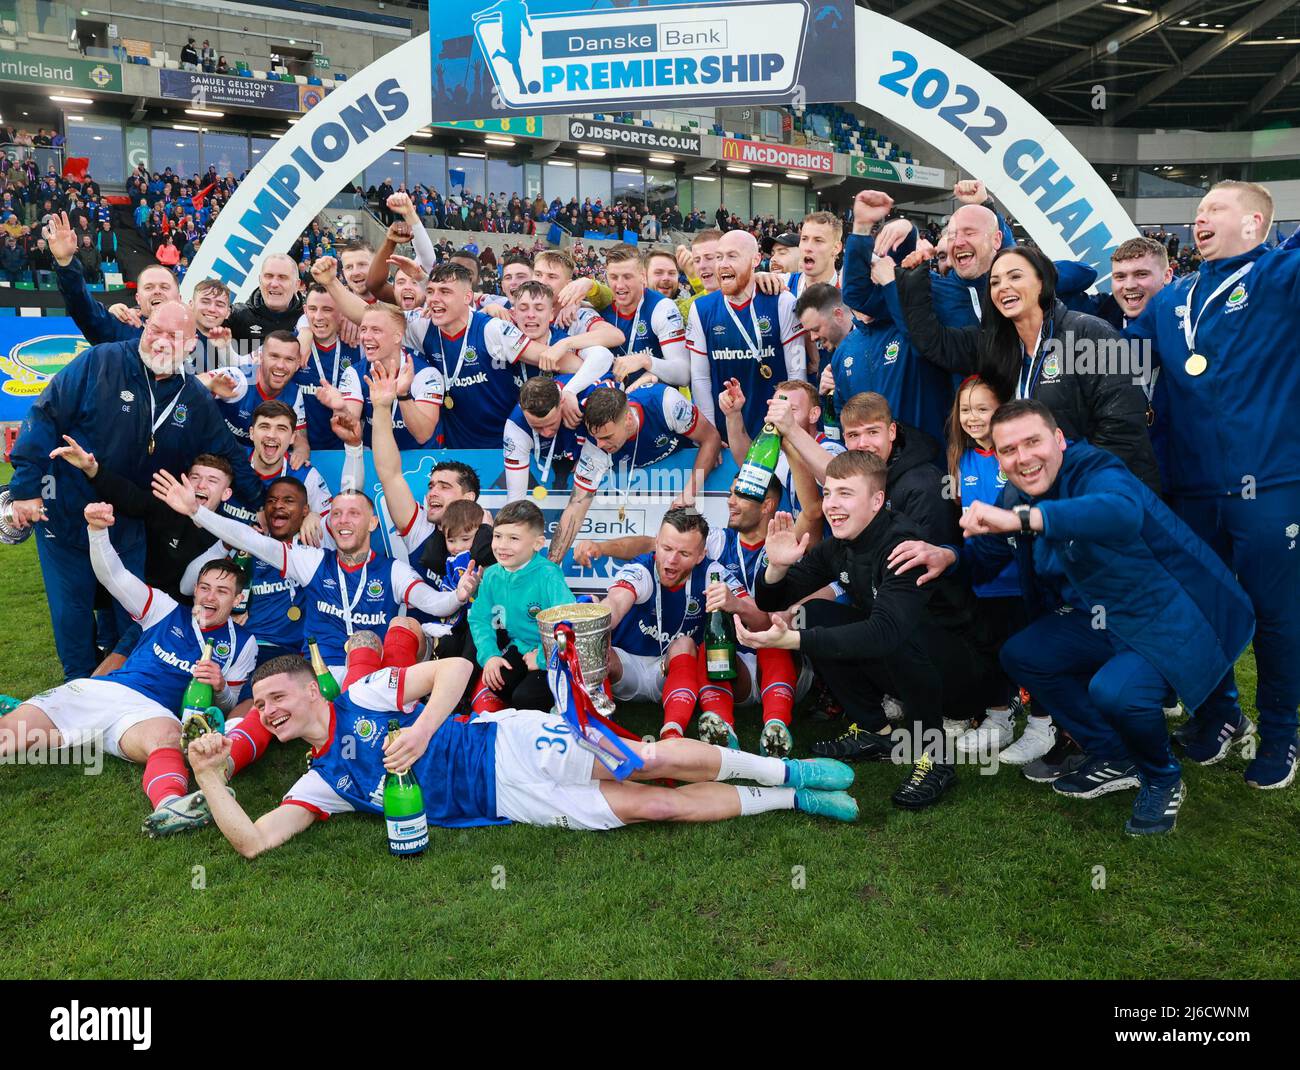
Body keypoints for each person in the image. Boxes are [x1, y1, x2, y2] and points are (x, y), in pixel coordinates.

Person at [184, 652, 859, 857]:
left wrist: (419, 733)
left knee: (644, 760)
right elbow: (251, 840)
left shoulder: (365, 692)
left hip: (509, 741)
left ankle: (789, 769)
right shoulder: (322, 781)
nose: (266, 711)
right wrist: (210, 776)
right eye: (259, 706)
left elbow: (452, 667)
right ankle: (791, 798)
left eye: (275, 697)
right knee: (656, 808)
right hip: (512, 801)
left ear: (308, 690)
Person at [955, 401, 1255, 833]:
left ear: (1058, 440)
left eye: (1032, 441)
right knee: (1024, 654)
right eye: (1008, 450)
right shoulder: (1018, 490)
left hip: (1166, 613)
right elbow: (983, 557)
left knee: (1115, 691)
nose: (1023, 457)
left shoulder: (1095, 467)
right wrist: (944, 555)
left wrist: (1026, 519)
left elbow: (1120, 512)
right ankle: (1117, 754)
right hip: (1099, 617)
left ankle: (1162, 777)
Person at [1126, 180, 1300, 789]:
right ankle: (1222, 716)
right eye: (1197, 212)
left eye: (1214, 210)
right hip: (1193, 487)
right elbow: (1115, 359)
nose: (1199, 219)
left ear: (1254, 223)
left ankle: (1281, 733)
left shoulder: (1280, 277)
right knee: (1200, 610)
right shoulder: (1172, 300)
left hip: (1272, 482)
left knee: (1276, 616)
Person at [8, 302, 261, 681]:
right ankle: (76, 689)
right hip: (68, 518)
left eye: (173, 336)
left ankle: (115, 685)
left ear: (192, 344)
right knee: (71, 613)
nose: (160, 341)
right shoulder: (100, 362)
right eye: (154, 330)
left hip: (130, 523)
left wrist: (263, 504)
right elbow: (46, 413)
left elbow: (228, 453)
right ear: (143, 327)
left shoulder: (192, 397)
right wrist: (26, 487)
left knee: (126, 613)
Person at [747, 451, 997, 809]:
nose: (832, 505)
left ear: (877, 500)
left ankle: (936, 759)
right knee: (814, 613)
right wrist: (776, 567)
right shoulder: (840, 544)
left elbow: (885, 633)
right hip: (909, 663)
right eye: (829, 493)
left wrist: (793, 639)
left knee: (894, 632)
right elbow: (773, 600)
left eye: (845, 494)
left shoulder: (902, 545)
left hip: (962, 675)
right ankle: (876, 733)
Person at [0, 503, 257, 835]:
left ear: (237, 599)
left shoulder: (243, 642)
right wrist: (97, 531)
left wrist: (220, 687)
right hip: (104, 691)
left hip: (149, 715)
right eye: (204, 587)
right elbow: (115, 577)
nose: (209, 596)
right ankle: (17, 712)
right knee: (13, 736)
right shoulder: (165, 609)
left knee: (167, 737)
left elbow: (230, 702)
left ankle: (170, 808)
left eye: (222, 591)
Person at [152, 476, 480, 682]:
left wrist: (460, 594)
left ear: (372, 524)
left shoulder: (393, 570)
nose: (343, 520)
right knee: (272, 689)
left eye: (354, 513)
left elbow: (435, 603)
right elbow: (253, 541)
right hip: (321, 675)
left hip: (376, 673)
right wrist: (197, 512)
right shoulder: (309, 561)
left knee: (404, 628)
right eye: (336, 514)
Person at [896, 244, 1161, 492]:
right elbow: (935, 343)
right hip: (1041, 495)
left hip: (1106, 495)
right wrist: (914, 276)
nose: (1004, 287)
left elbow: (1123, 427)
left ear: (1042, 282)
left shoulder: (1092, 332)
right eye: (995, 282)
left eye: (1015, 277)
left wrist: (1076, 489)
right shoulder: (996, 344)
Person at [577, 476, 804, 758]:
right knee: (598, 647)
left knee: (691, 644)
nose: (671, 560)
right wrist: (593, 620)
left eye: (683, 553)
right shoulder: (642, 570)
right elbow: (617, 602)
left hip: (676, 671)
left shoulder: (712, 572)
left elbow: (761, 622)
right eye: (667, 549)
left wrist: (736, 603)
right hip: (630, 668)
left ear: (700, 555)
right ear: (657, 544)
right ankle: (597, 732)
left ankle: (674, 735)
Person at [938, 375, 1049, 761]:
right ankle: (998, 718)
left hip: (1022, 577)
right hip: (985, 580)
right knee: (993, 648)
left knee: (1034, 650)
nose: (972, 417)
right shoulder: (960, 458)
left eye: (982, 409)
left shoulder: (1015, 457)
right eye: (965, 410)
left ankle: (1043, 722)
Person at [548, 384, 723, 565]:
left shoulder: (666, 403)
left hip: (685, 470)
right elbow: (575, 507)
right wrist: (551, 567)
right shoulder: (595, 447)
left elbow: (711, 438)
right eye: (596, 437)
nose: (600, 444)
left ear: (628, 420)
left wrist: (689, 493)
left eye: (607, 437)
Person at [687, 229, 808, 438]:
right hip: (727, 433)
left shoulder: (782, 301)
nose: (723, 264)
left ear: (755, 259)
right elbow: (700, 378)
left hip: (777, 430)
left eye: (732, 256)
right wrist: (711, 434)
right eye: (719, 257)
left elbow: (797, 374)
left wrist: (793, 428)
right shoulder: (700, 309)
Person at [467, 500, 574, 713]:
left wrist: (544, 659)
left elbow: (569, 624)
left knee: (525, 698)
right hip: (522, 647)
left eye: (514, 538)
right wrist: (490, 656)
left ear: (537, 543)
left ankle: (561, 701)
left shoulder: (548, 575)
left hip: (553, 655)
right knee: (497, 681)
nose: (502, 545)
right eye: (498, 536)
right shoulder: (492, 575)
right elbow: (479, 618)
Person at [46, 210, 179, 345]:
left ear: (179, 297)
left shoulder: (196, 333)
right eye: (149, 287)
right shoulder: (121, 327)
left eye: (164, 286)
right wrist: (66, 263)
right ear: (138, 298)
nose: (157, 291)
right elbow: (84, 308)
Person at [201, 330, 309, 454]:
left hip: (255, 457)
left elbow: (300, 436)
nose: (280, 365)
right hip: (217, 454)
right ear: (261, 357)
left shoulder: (294, 393)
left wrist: (301, 449)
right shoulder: (239, 379)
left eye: (289, 359)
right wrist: (209, 384)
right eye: (274, 356)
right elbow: (199, 380)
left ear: (297, 364)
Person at [601, 243, 689, 389]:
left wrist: (645, 360)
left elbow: (683, 374)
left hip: (652, 403)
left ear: (643, 276)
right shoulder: (602, 308)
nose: (620, 285)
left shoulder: (661, 307)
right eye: (614, 277)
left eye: (627, 277)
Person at [293, 283, 363, 451]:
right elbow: (249, 365)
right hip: (301, 451)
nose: (318, 316)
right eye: (312, 309)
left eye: (327, 309)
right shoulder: (290, 345)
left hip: (347, 448)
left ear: (342, 312)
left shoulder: (358, 345)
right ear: (304, 310)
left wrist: (357, 320)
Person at [226, 252, 305, 344]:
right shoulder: (236, 316)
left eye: (282, 277)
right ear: (260, 280)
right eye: (269, 276)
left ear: (297, 285)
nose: (274, 284)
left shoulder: (308, 318)